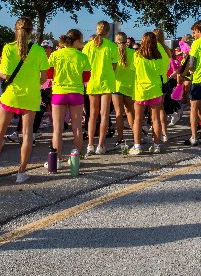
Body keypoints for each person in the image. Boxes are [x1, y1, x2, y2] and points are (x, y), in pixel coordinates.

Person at [0, 17, 49, 183]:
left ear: (15, 29)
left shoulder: (8, 48)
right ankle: (21, 172)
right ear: (31, 30)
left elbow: (6, 76)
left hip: (11, 95)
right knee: (27, 134)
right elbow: (43, 79)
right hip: (31, 96)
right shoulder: (39, 50)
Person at [47, 29, 89, 168]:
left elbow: (49, 75)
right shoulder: (82, 57)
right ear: (76, 41)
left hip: (59, 93)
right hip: (76, 93)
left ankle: (56, 160)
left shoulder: (55, 54)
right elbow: (86, 78)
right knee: (77, 128)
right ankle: (75, 159)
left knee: (57, 129)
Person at [83, 21, 119, 156]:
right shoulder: (111, 46)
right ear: (108, 32)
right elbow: (114, 65)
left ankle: (90, 144)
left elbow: (85, 66)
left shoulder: (87, 46)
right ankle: (101, 145)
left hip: (92, 82)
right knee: (104, 115)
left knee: (92, 115)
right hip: (107, 82)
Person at [130, 32, 167, 154]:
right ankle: (157, 145)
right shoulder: (159, 56)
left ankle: (137, 145)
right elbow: (162, 72)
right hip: (155, 89)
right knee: (155, 119)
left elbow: (132, 69)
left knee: (138, 119)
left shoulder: (137, 55)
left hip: (141, 90)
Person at [113, 32, 135, 148]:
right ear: (127, 41)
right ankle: (135, 137)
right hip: (130, 85)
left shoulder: (114, 52)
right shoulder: (133, 53)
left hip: (117, 85)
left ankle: (120, 138)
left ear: (116, 41)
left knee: (118, 113)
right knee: (130, 112)